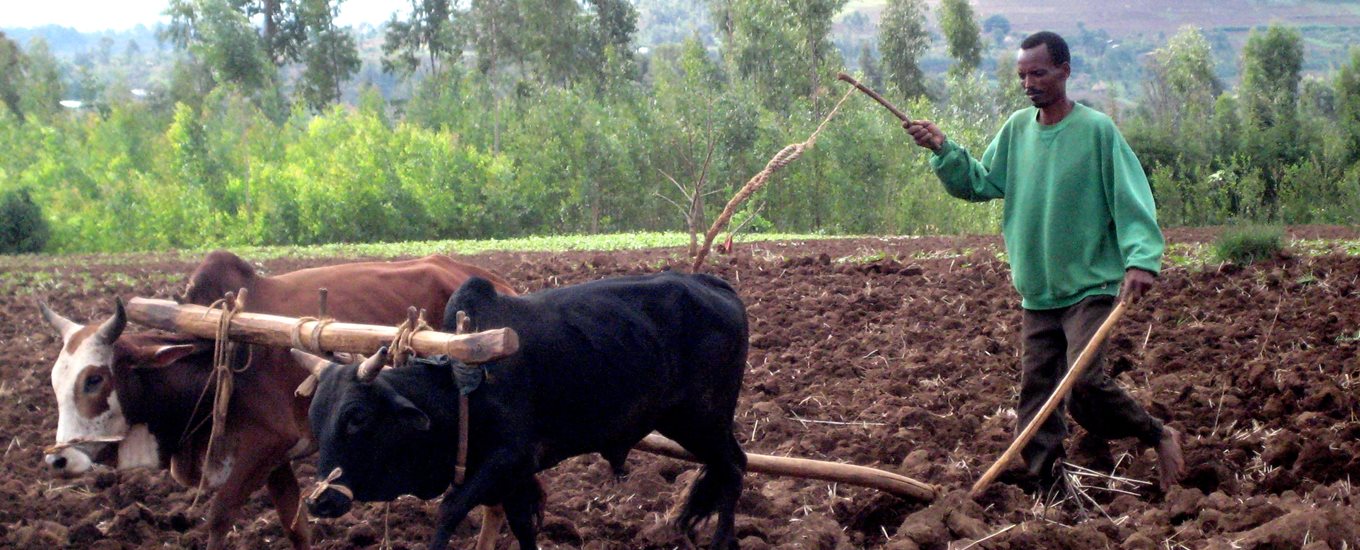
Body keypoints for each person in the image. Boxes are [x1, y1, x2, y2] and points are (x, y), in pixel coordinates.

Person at [902, 31, 1184, 492]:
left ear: (1064, 72)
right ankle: (1043, 485)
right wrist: (942, 148)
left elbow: (1131, 199)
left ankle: (1155, 432)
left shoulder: (1096, 131)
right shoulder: (1017, 129)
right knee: (1037, 393)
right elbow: (980, 183)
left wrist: (1142, 260)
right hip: (1037, 289)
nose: (1029, 83)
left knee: (1085, 385)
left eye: (1038, 72)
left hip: (1089, 285)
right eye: (1022, 75)